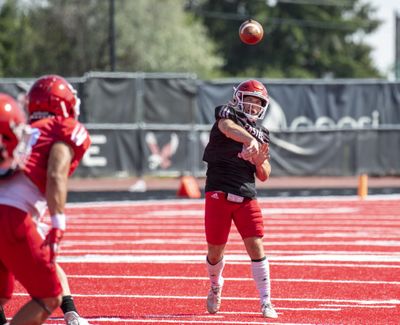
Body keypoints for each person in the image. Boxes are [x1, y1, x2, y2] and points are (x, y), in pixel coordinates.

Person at [0, 75, 91, 325]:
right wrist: (58, 222)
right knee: (48, 297)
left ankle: (71, 313)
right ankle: (70, 313)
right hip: (13, 216)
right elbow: (55, 173)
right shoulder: (63, 129)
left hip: (11, 209)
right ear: (62, 103)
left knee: (1, 295)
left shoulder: (23, 129)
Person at [202, 79, 278, 319]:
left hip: (246, 194)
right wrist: (248, 140)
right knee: (215, 251)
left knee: (256, 245)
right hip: (218, 190)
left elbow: (265, 174)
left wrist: (256, 159)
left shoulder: (262, 133)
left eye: (258, 103)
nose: (254, 107)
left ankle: (266, 301)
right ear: (238, 98)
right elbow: (226, 127)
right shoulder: (227, 113)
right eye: (250, 101)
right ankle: (216, 286)